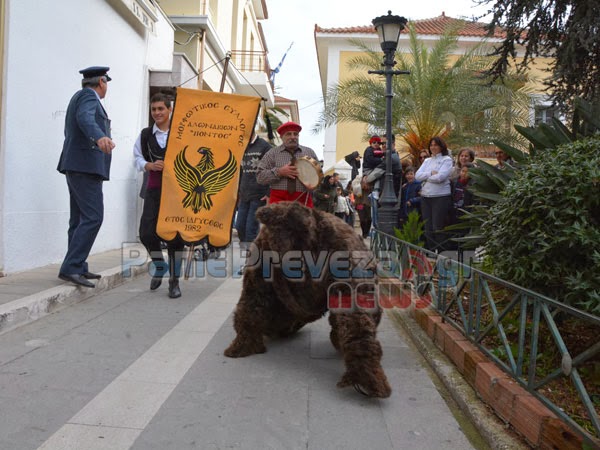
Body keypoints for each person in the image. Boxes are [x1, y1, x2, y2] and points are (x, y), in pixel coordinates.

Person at [56, 66, 116, 288]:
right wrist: (100, 136)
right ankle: (71, 267)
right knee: (93, 217)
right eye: (106, 82)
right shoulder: (88, 97)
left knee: (79, 219)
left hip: (77, 165)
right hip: (84, 166)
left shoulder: (79, 96)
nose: (106, 87)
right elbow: (85, 119)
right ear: (101, 81)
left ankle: (77, 265)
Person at [133, 93, 185, 298]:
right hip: (154, 189)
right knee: (146, 233)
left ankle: (174, 282)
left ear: (169, 109)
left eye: (160, 109)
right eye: (154, 109)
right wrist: (149, 165)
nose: (157, 113)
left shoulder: (181, 133)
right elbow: (136, 157)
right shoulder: (146, 134)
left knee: (175, 238)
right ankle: (159, 264)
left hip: (177, 192)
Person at [256, 121, 319, 207]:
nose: (293, 137)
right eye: (288, 134)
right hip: (278, 202)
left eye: (295, 134)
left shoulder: (309, 153)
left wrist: (314, 185)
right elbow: (260, 177)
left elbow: (319, 177)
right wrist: (279, 172)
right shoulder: (272, 153)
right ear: (281, 137)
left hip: (303, 201)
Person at [415, 136, 453, 251]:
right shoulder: (427, 161)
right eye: (431, 145)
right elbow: (417, 176)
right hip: (426, 196)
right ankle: (431, 252)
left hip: (440, 197)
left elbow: (440, 177)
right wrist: (431, 173)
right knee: (428, 228)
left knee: (438, 227)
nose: (433, 147)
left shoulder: (447, 160)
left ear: (441, 146)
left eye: (436, 145)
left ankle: (442, 253)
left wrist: (425, 177)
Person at [235, 131, 271, 247]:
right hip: (244, 194)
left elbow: (272, 169)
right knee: (239, 226)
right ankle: (249, 256)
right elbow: (239, 171)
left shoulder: (265, 146)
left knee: (251, 229)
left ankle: (251, 261)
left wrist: (268, 192)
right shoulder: (241, 145)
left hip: (258, 194)